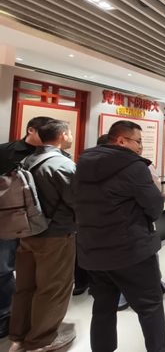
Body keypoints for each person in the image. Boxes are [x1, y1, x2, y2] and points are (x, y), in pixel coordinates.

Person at [74, 121, 165, 352]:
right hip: (130, 250)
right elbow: (155, 207)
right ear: (121, 140)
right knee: (150, 308)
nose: (140, 147)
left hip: (93, 250)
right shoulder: (134, 167)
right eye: (138, 141)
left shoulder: (83, 164)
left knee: (103, 308)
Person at [8, 120, 77, 352]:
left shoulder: (27, 160)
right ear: (62, 135)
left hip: (27, 231)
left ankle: (18, 335)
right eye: (69, 133)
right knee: (53, 287)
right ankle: (41, 340)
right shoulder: (62, 164)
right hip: (56, 235)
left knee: (25, 286)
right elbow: (76, 200)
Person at [0, 116, 52, 340]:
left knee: (36, 272)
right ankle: (5, 314)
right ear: (31, 130)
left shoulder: (53, 155)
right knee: (4, 269)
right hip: (10, 220)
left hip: (41, 222)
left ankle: (29, 315)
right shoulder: (6, 151)